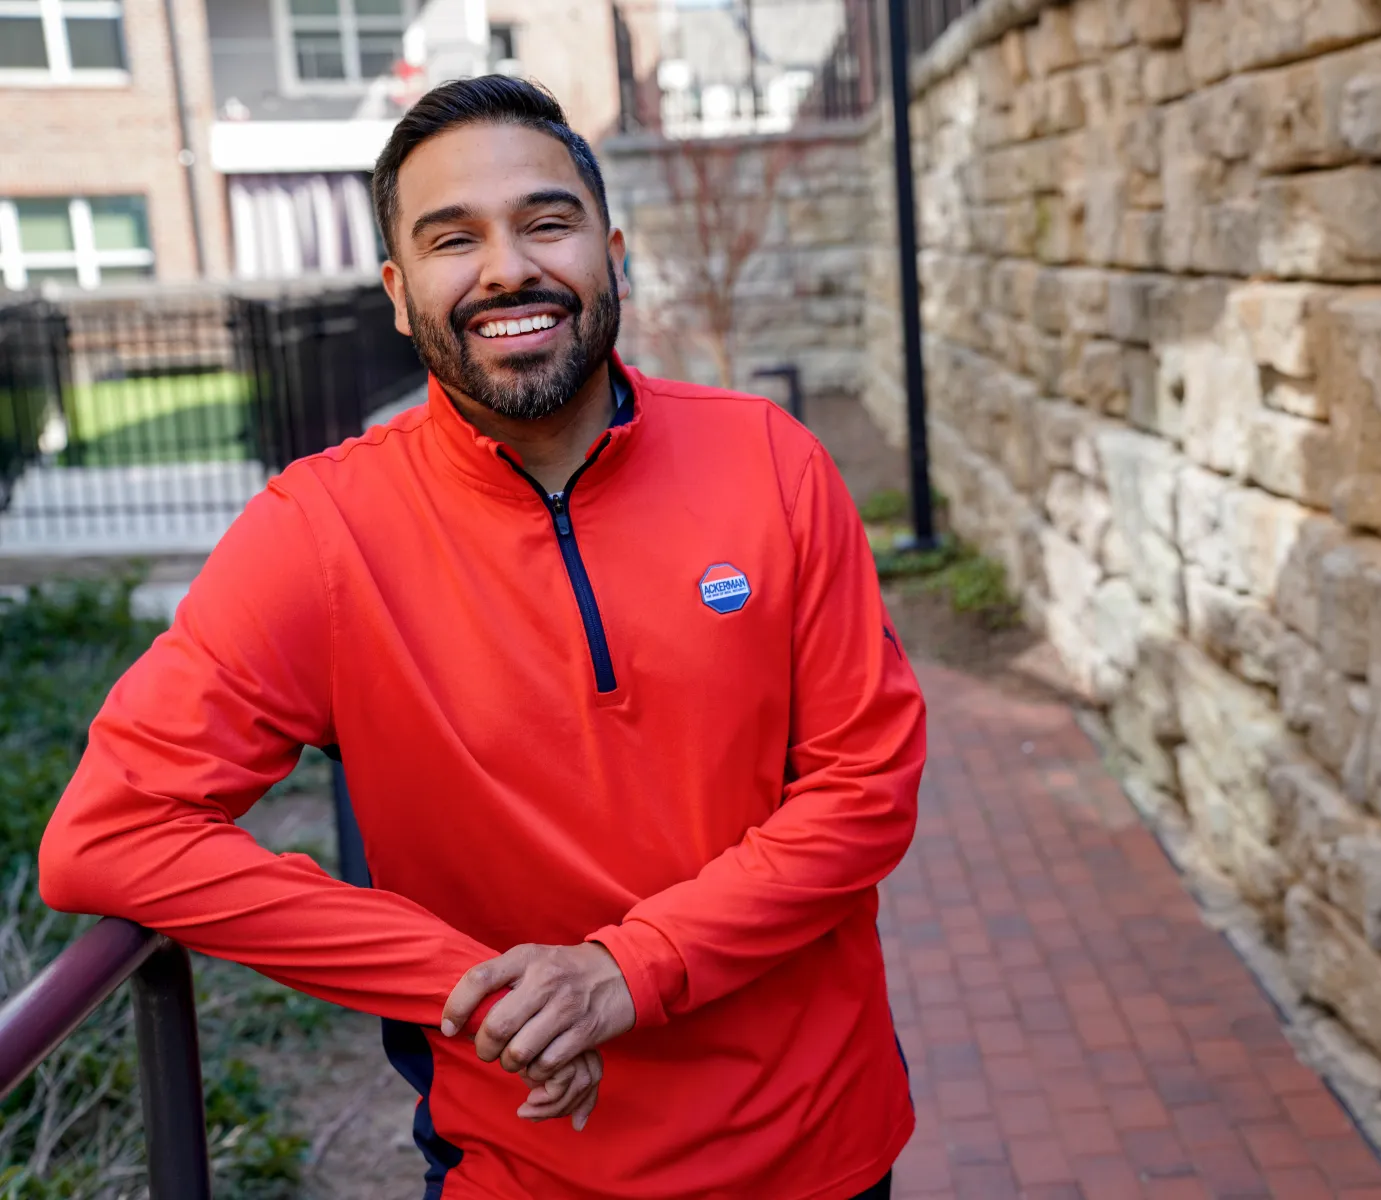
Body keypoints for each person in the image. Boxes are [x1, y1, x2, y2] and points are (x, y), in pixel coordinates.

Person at [37, 76, 925, 1200]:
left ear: (613, 253)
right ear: (400, 296)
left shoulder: (771, 461)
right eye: (454, 239)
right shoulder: (319, 534)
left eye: (545, 222)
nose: (507, 267)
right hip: (521, 1162)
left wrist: (625, 969)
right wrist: (463, 983)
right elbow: (108, 837)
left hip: (817, 1142)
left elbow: (867, 787)